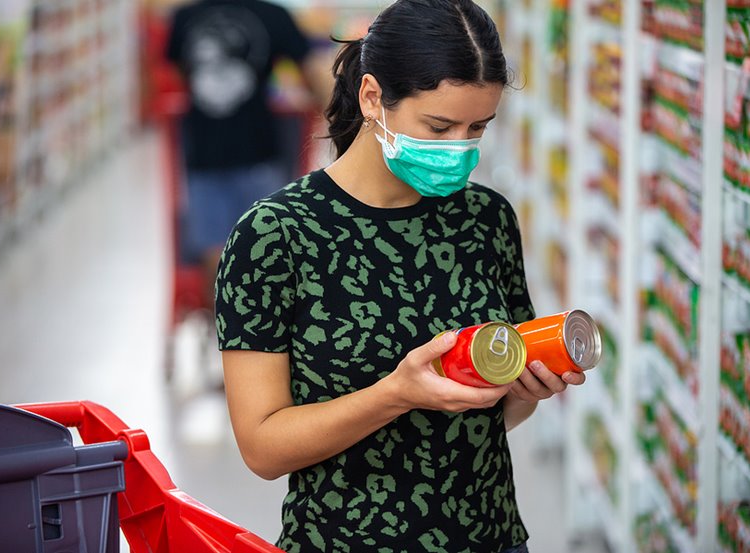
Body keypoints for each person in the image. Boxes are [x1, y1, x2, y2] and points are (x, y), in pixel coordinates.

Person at [214, 1, 589, 551]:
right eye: (439, 126)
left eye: (477, 128)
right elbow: (263, 449)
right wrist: (395, 394)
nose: (459, 147)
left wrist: (527, 387)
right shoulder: (276, 235)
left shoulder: (485, 218)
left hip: (490, 536)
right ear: (372, 99)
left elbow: (490, 414)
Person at [165, 0, 326, 304]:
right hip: (253, 155)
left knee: (219, 251)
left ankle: (227, 336)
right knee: (265, 251)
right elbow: (313, 70)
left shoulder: (186, 18)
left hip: (213, 155)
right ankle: (257, 334)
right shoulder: (272, 16)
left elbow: (177, 73)